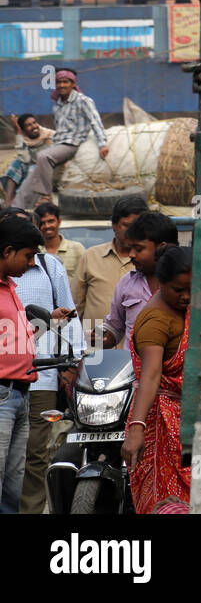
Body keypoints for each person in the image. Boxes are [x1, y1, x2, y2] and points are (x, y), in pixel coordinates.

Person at [2, 208, 84, 514]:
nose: (30, 260)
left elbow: (66, 313)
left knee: (30, 459)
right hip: (6, 387)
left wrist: (72, 362)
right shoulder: (7, 282)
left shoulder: (45, 270)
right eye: (26, 252)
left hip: (36, 379)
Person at [121, 245, 191, 513]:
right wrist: (136, 429)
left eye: (191, 289)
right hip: (159, 423)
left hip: (184, 419)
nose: (186, 296)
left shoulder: (188, 310)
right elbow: (150, 376)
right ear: (161, 283)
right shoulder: (155, 320)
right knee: (164, 502)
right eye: (178, 290)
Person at [13, 68, 109, 210]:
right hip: (58, 145)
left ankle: (46, 196)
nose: (62, 85)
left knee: (43, 156)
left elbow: (95, 121)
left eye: (65, 82)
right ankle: (16, 207)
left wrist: (102, 144)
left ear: (72, 83)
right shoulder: (57, 105)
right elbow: (59, 129)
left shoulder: (83, 100)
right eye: (59, 82)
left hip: (72, 143)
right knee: (32, 173)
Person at [0, 215, 41, 514]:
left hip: (20, 395)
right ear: (7, 251)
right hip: (2, 395)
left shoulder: (9, 286)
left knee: (12, 487)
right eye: (27, 256)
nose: (30, 263)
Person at [103, 212, 177, 349]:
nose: (131, 254)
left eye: (138, 249)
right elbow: (114, 328)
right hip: (132, 369)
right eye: (130, 248)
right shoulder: (127, 283)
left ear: (161, 248)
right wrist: (95, 339)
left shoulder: (184, 285)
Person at [71, 195, 146, 329]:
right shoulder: (91, 256)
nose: (133, 231)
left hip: (132, 346)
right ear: (114, 225)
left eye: (138, 226)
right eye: (127, 225)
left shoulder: (148, 262)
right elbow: (75, 306)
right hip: (96, 344)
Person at [2, 114, 54, 207]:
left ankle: (23, 200)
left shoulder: (48, 135)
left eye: (34, 123)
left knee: (33, 169)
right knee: (17, 163)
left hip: (47, 170)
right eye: (29, 125)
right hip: (31, 167)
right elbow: (24, 159)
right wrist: (18, 133)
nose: (34, 126)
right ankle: (9, 199)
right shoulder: (23, 138)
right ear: (23, 130)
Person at [34, 202, 84, 283]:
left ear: (59, 221)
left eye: (51, 221)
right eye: (42, 223)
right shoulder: (34, 252)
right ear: (37, 225)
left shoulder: (77, 249)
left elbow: (84, 280)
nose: (47, 226)